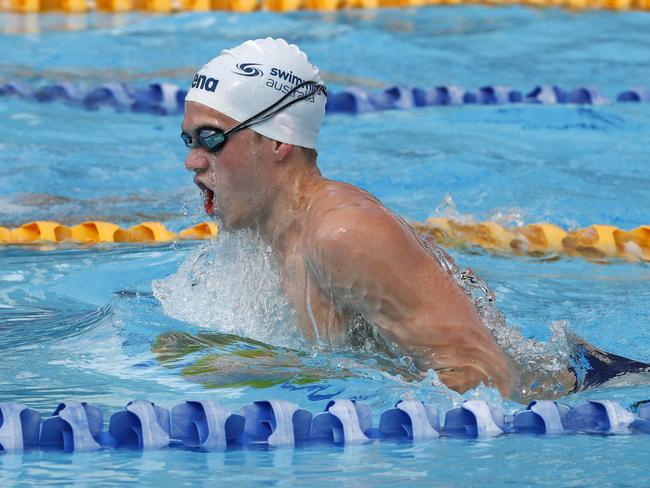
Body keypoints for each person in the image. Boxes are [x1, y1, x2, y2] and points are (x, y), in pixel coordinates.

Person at [180, 38, 647, 401]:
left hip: (596, 399)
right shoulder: (266, 232)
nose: (194, 162)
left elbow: (486, 380)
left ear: (278, 140)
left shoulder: (343, 233)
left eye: (212, 139)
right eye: (189, 141)